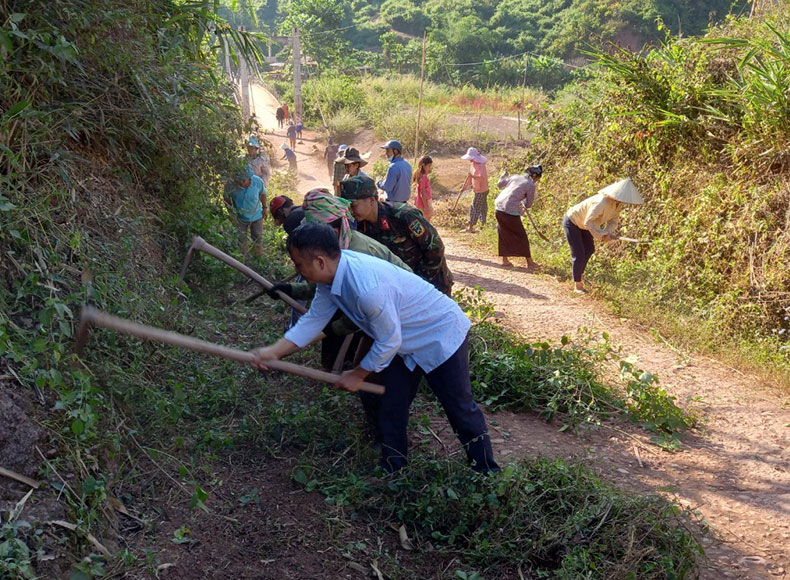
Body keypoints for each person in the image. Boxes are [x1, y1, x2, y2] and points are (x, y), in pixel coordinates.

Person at [251, 222, 499, 474]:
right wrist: (274, 351)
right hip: (401, 342)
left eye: (298, 264)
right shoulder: (332, 276)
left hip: (439, 333)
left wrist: (358, 373)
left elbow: (388, 341)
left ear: (319, 261)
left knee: (458, 407)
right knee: (391, 402)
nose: (297, 270)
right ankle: (394, 468)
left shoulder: (366, 288)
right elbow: (314, 320)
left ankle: (487, 472)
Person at [267, 190, 412, 373]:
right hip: (377, 313)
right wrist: (290, 289)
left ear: (332, 231)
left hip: (399, 314)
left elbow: (363, 313)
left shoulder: (357, 255)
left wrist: (332, 329)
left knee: (377, 368)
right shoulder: (334, 249)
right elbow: (321, 291)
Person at [340, 175, 453, 295]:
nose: (350, 211)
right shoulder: (359, 227)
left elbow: (434, 247)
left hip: (432, 284)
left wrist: (421, 282)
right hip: (401, 288)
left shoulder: (403, 216)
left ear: (372, 200)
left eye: (353, 205)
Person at [564, 177, 645, 294]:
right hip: (573, 221)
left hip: (585, 225)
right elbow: (589, 222)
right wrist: (602, 236)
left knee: (590, 249)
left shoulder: (618, 205)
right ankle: (578, 285)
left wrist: (608, 233)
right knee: (579, 253)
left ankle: (578, 275)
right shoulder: (601, 202)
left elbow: (613, 222)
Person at [494, 165, 543, 270]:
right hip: (509, 210)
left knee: (503, 233)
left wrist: (503, 176)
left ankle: (505, 260)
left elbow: (499, 184)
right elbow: (529, 204)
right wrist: (523, 202)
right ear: (534, 176)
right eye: (538, 178)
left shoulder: (515, 177)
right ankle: (530, 262)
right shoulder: (530, 185)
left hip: (498, 207)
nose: (537, 180)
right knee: (521, 236)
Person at [223, 167, 266, 257]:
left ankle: (258, 257)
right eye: (239, 181)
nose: (241, 183)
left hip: (256, 215)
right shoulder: (230, 185)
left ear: (249, 178)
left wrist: (265, 208)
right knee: (241, 241)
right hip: (240, 217)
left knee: (257, 238)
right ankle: (243, 260)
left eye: (244, 181)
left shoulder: (258, 181)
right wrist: (231, 213)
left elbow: (263, 193)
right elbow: (226, 199)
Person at [461, 147, 489, 233]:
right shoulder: (473, 165)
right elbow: (470, 179)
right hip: (478, 189)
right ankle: (482, 225)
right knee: (482, 207)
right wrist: (464, 188)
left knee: (475, 207)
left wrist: (472, 176)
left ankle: (471, 227)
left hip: (482, 190)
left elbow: (481, 178)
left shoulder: (481, 166)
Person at [412, 155, 433, 221]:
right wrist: (426, 206)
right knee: (427, 219)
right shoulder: (424, 177)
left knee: (422, 220)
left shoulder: (420, 176)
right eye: (429, 166)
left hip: (419, 202)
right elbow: (422, 193)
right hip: (425, 202)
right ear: (424, 166)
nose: (430, 168)